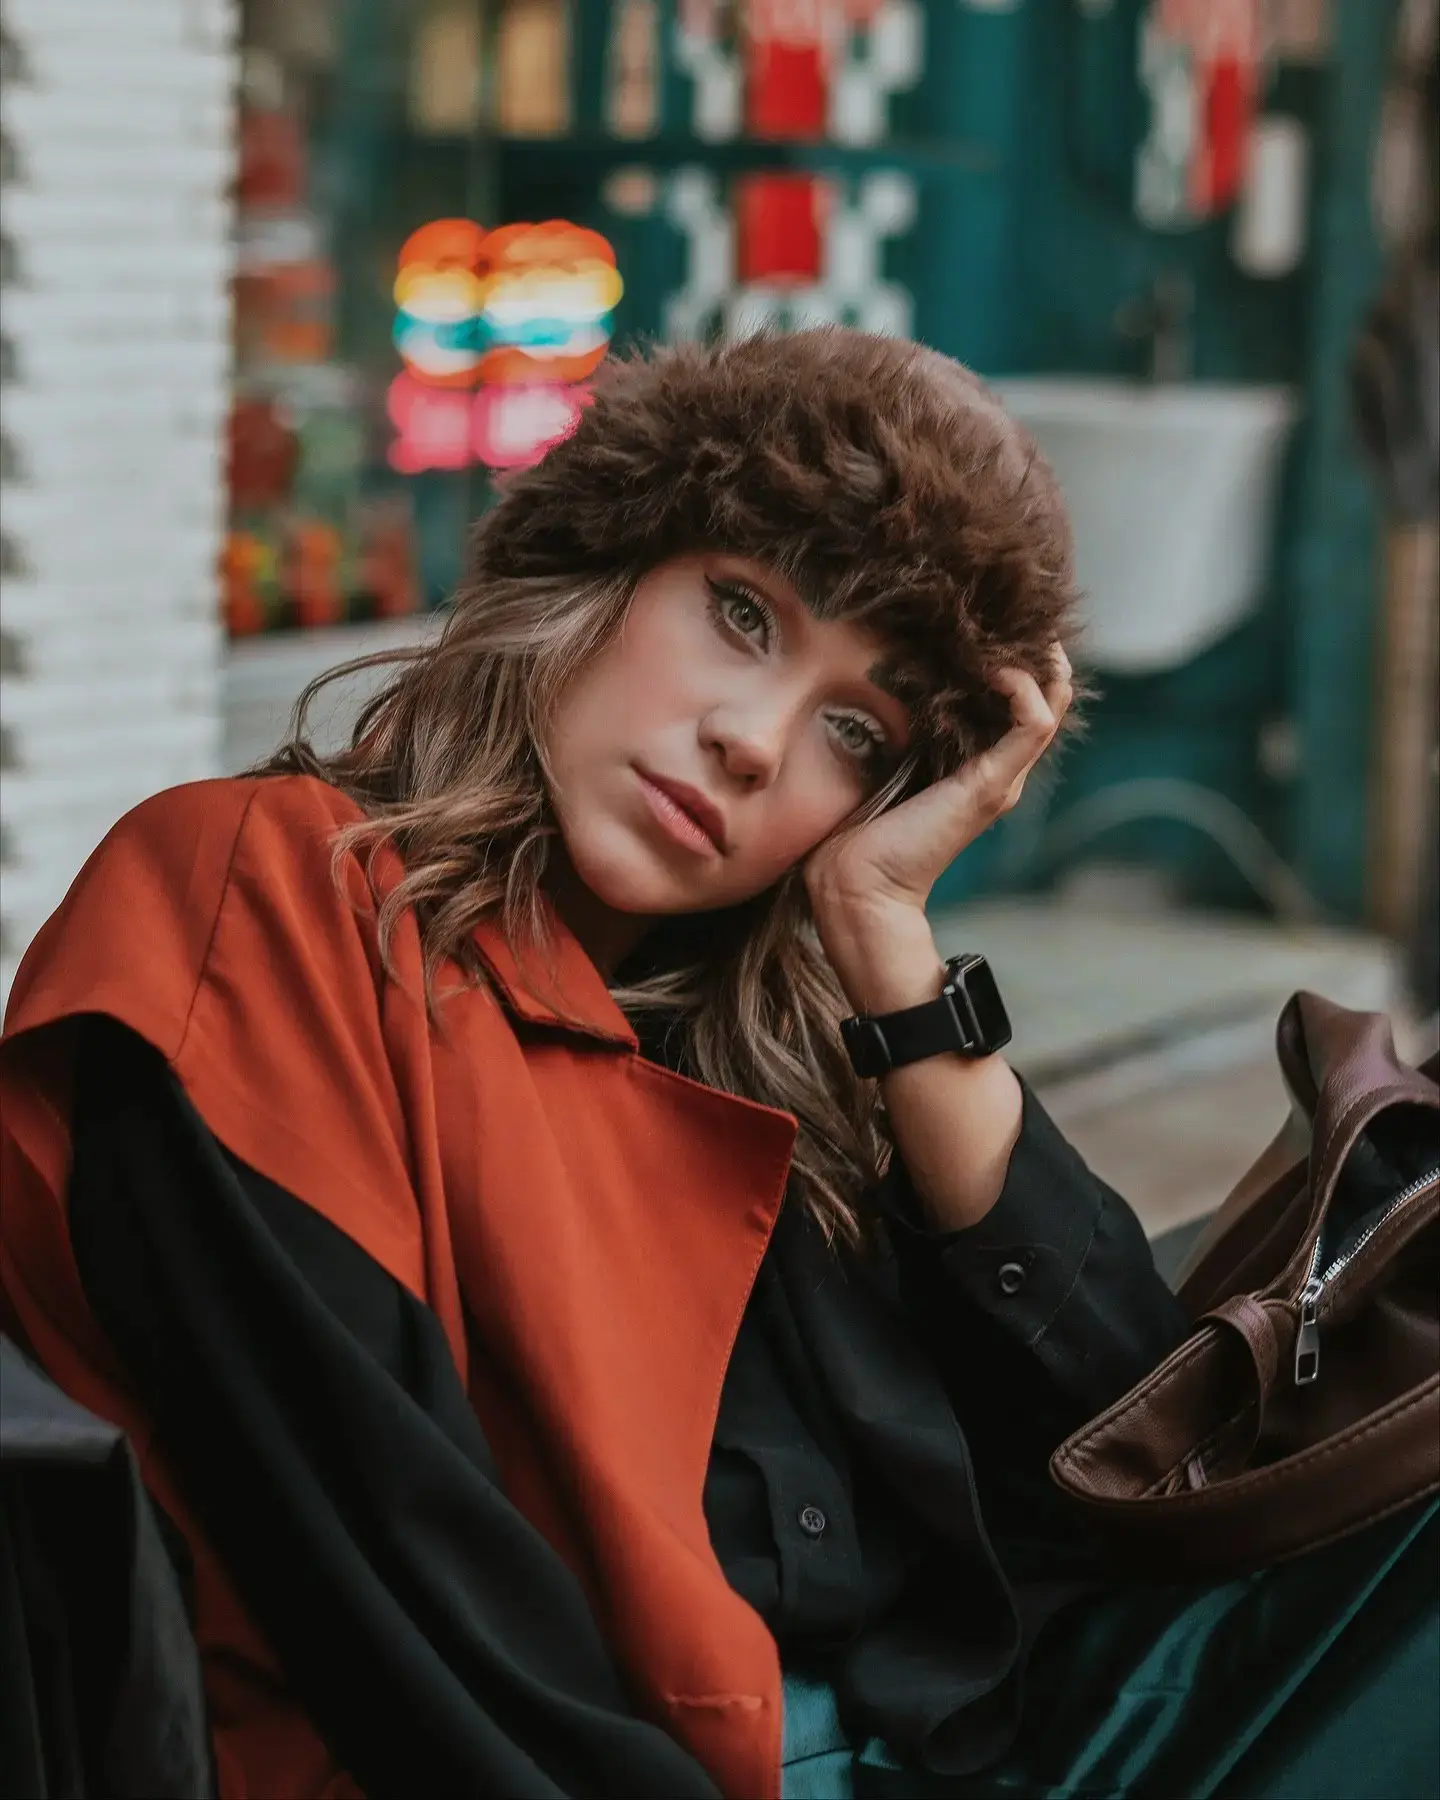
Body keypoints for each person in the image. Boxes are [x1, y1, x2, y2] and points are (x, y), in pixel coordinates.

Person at [1, 329, 1434, 1800]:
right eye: (744, 614)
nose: (753, 743)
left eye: (853, 730)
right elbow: (409, 1598)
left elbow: (1133, 1457)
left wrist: (890, 949)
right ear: (603, 570)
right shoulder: (268, 899)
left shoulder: (761, 1052)